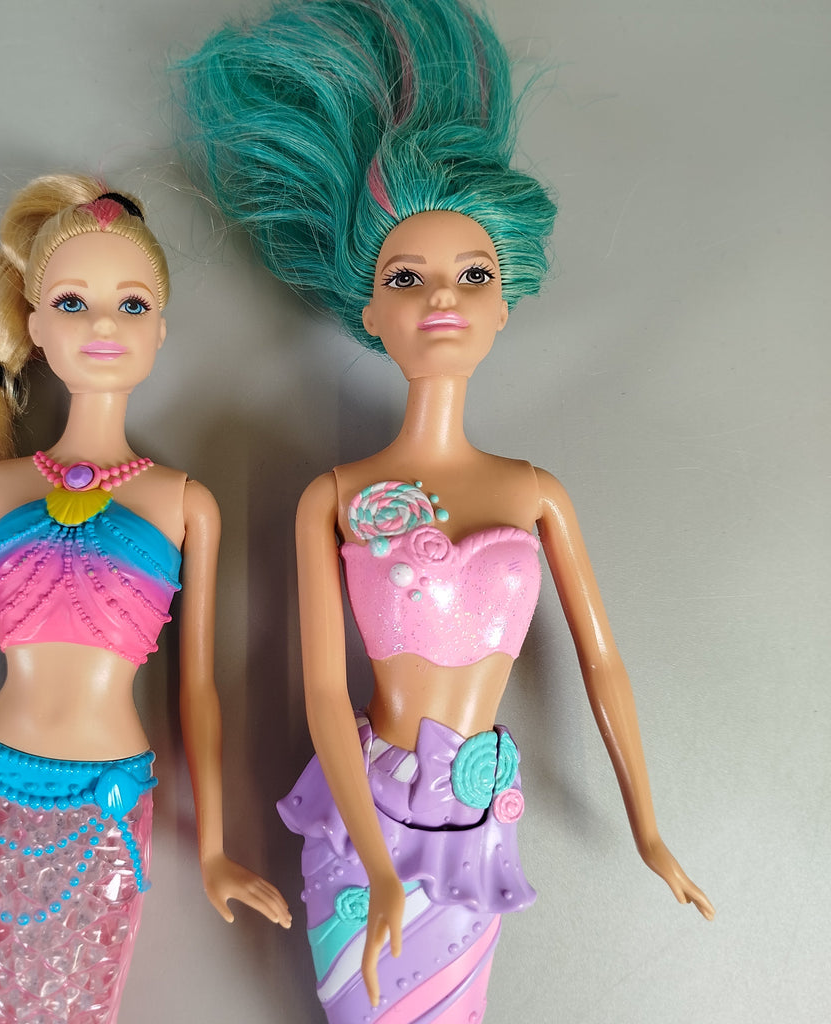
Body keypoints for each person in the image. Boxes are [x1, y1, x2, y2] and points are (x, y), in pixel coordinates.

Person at [176, 2, 713, 1021]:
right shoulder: (334, 497)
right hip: (362, 828)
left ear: (504, 302)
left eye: (473, 276)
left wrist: (648, 828)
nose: (442, 300)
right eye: (407, 277)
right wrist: (377, 866)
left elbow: (602, 663)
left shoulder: (534, 492)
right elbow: (323, 694)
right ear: (369, 308)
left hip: (477, 832)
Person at [0, 174, 290, 1023]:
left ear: (161, 329)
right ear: (34, 327)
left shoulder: (185, 503)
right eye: (73, 302)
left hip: (106, 812)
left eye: (131, 305)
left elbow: (199, 692)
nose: (103, 325)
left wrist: (214, 848)